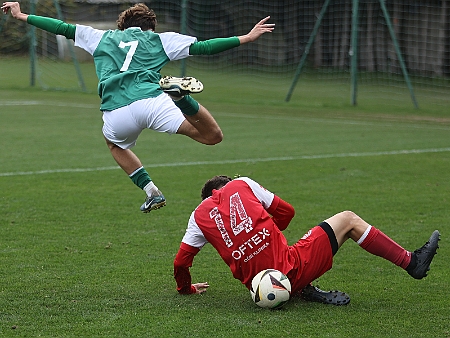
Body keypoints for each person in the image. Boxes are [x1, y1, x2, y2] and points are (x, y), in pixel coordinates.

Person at [1, 2, 275, 213]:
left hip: (116, 112)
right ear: (150, 28)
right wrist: (247, 38)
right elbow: (204, 47)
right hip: (152, 102)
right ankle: (181, 98)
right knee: (212, 136)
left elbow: (59, 27)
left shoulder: (99, 37)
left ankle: (151, 190)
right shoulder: (160, 39)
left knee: (114, 144)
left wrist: (21, 15)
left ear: (123, 26)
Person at [173, 175, 440, 306]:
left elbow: (180, 263)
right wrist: (268, 233)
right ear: (227, 183)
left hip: (260, 288)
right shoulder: (241, 183)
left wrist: (187, 289)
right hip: (291, 268)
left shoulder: (197, 217)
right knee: (348, 219)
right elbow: (287, 212)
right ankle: (411, 262)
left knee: (289, 254)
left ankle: (302, 289)